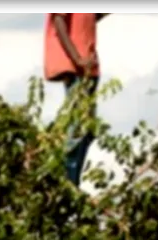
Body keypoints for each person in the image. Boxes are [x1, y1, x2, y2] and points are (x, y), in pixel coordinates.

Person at [44, 13, 111, 186]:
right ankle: (67, 182)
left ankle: (72, 181)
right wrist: (77, 59)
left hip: (89, 66)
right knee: (77, 128)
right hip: (77, 67)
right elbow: (59, 21)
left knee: (88, 130)